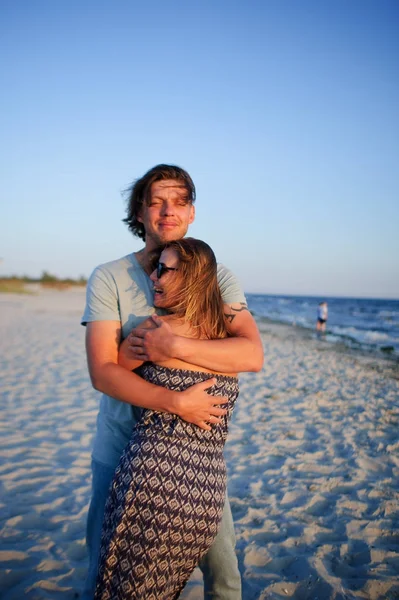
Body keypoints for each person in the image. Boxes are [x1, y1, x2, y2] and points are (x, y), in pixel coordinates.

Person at [81, 164, 264, 600]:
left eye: (179, 202)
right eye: (156, 201)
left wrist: (172, 347)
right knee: (103, 568)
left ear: (192, 213)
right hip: (120, 445)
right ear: (139, 212)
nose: (168, 211)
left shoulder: (216, 278)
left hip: (198, 456)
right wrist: (175, 402)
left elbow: (251, 353)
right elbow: (102, 372)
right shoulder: (111, 277)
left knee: (224, 574)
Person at [95, 238, 240, 599]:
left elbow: (110, 375)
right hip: (205, 492)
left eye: (164, 269)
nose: (154, 277)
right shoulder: (226, 338)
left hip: (151, 480)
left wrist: (155, 354)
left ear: (191, 276)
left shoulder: (154, 329)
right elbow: (255, 356)